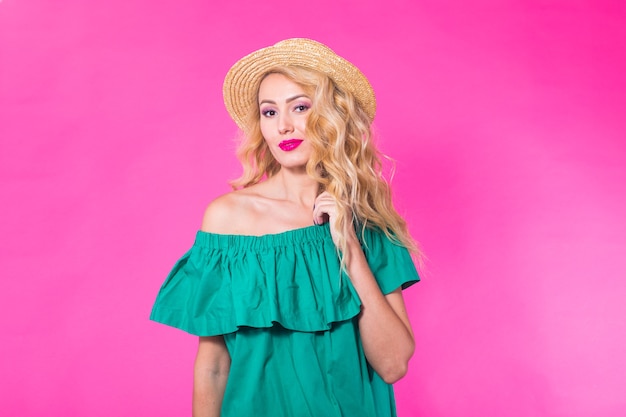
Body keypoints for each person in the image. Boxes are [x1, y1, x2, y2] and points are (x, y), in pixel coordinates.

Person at [150, 38, 421, 417]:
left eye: (300, 107)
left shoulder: (367, 223)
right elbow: (212, 367)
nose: (284, 126)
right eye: (270, 112)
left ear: (332, 115)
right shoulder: (229, 219)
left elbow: (393, 364)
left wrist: (349, 249)